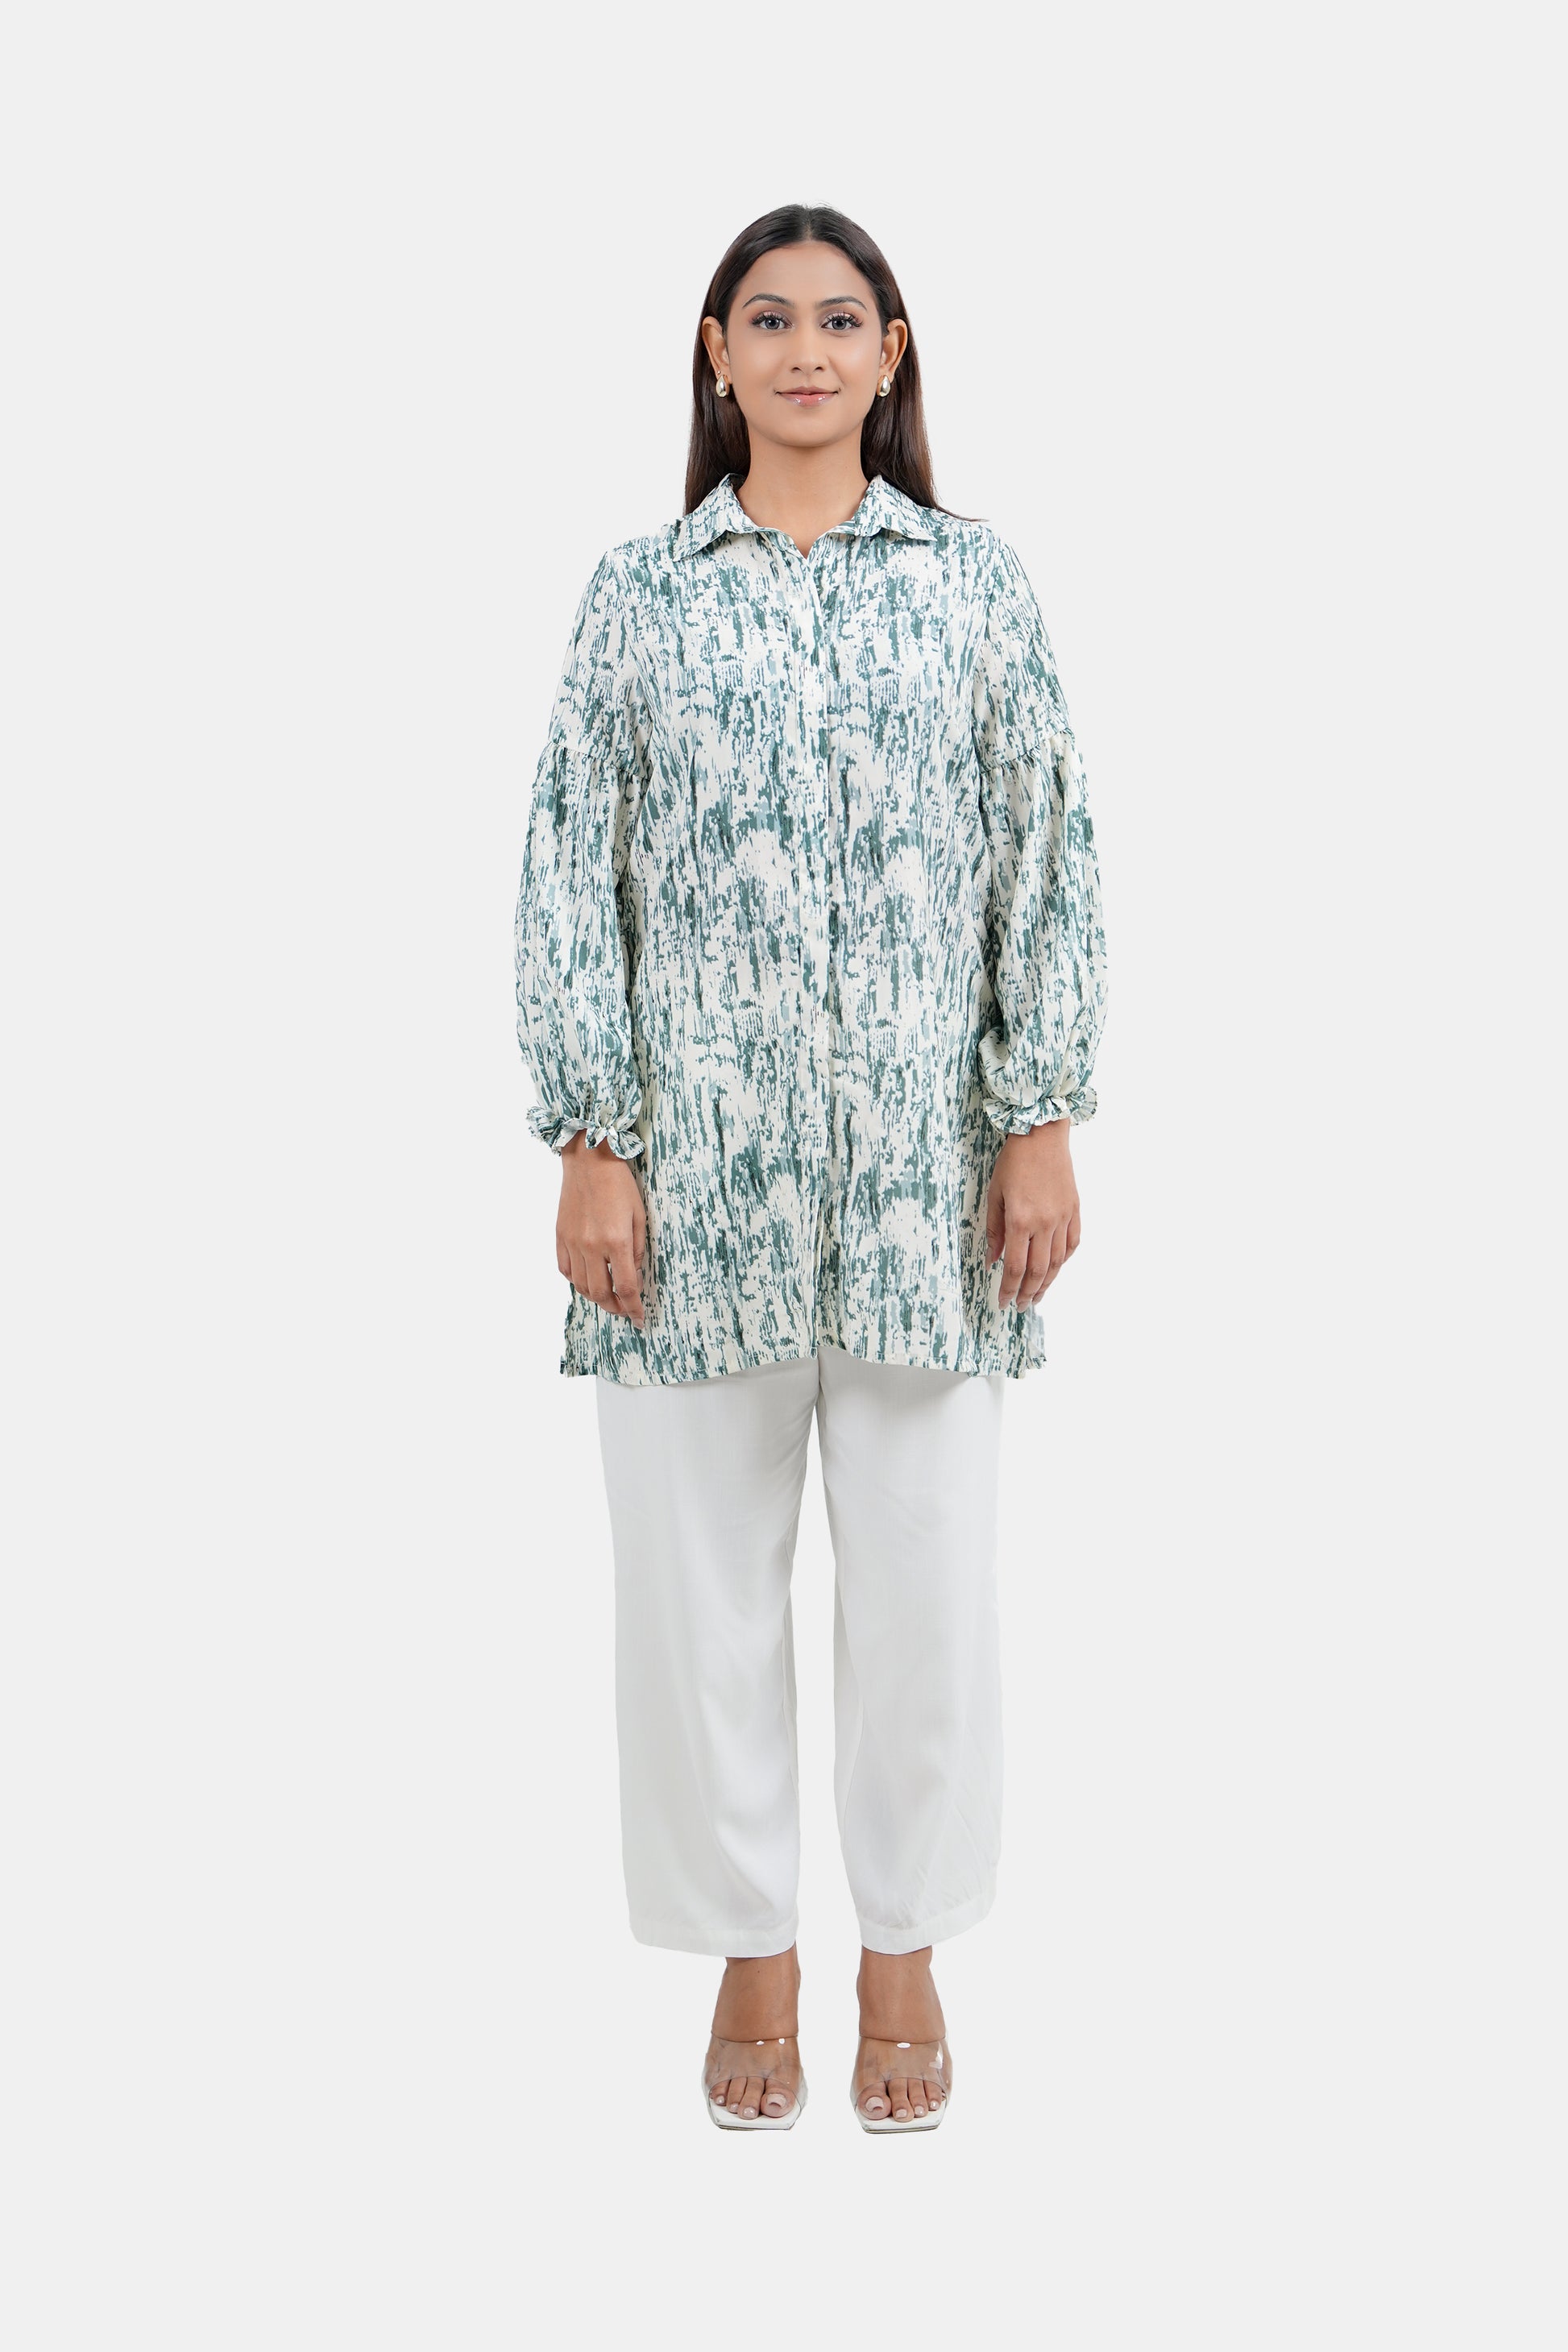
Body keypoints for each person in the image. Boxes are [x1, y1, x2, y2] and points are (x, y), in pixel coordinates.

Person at [513, 203, 1110, 2132]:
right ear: (715, 353)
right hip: (686, 1193)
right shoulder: (637, 596)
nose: (803, 351)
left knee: (926, 1593)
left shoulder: (973, 583)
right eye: (766, 319)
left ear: (890, 352)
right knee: (697, 1601)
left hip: (932, 1190)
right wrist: (592, 1140)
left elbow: (1045, 843)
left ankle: (905, 1944)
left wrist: (1040, 1111)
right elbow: (568, 866)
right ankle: (750, 1948)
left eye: (838, 320)